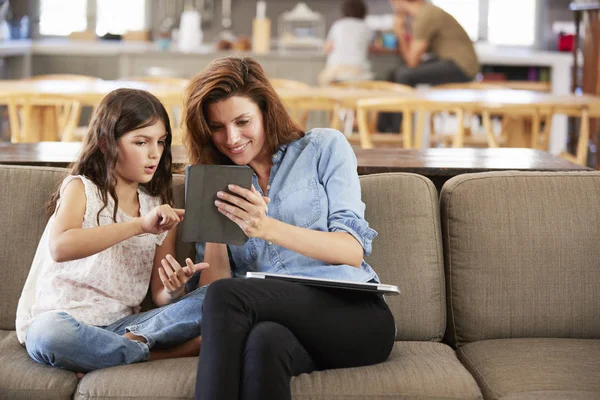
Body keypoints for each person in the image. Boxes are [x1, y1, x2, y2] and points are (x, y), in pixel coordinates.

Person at [183, 56, 396, 400]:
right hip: (286, 330)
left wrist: (265, 227)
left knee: (231, 299)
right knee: (264, 341)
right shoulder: (215, 181)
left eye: (242, 121)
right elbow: (214, 295)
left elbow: (351, 251)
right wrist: (215, 228)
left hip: (354, 316)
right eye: (217, 127)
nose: (231, 138)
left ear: (266, 110)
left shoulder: (323, 147)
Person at [15, 88, 209, 377]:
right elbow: (61, 246)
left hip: (124, 327)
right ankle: (154, 355)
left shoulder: (157, 206)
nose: (154, 153)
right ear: (106, 144)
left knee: (215, 297)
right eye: (141, 142)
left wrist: (174, 288)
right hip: (63, 321)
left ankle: (104, 353)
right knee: (50, 334)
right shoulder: (81, 189)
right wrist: (140, 225)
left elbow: (159, 296)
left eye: (161, 142)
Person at [378, 0, 480, 131]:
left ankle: (398, 133)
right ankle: (384, 130)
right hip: (451, 62)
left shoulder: (426, 15)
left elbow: (412, 61)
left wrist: (399, 32)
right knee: (393, 74)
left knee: (403, 75)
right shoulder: (425, 12)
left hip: (462, 66)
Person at [318, 0, 373, 86]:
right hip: (359, 71)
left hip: (335, 69)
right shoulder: (367, 27)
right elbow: (370, 48)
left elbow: (327, 48)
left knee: (323, 81)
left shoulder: (338, 25)